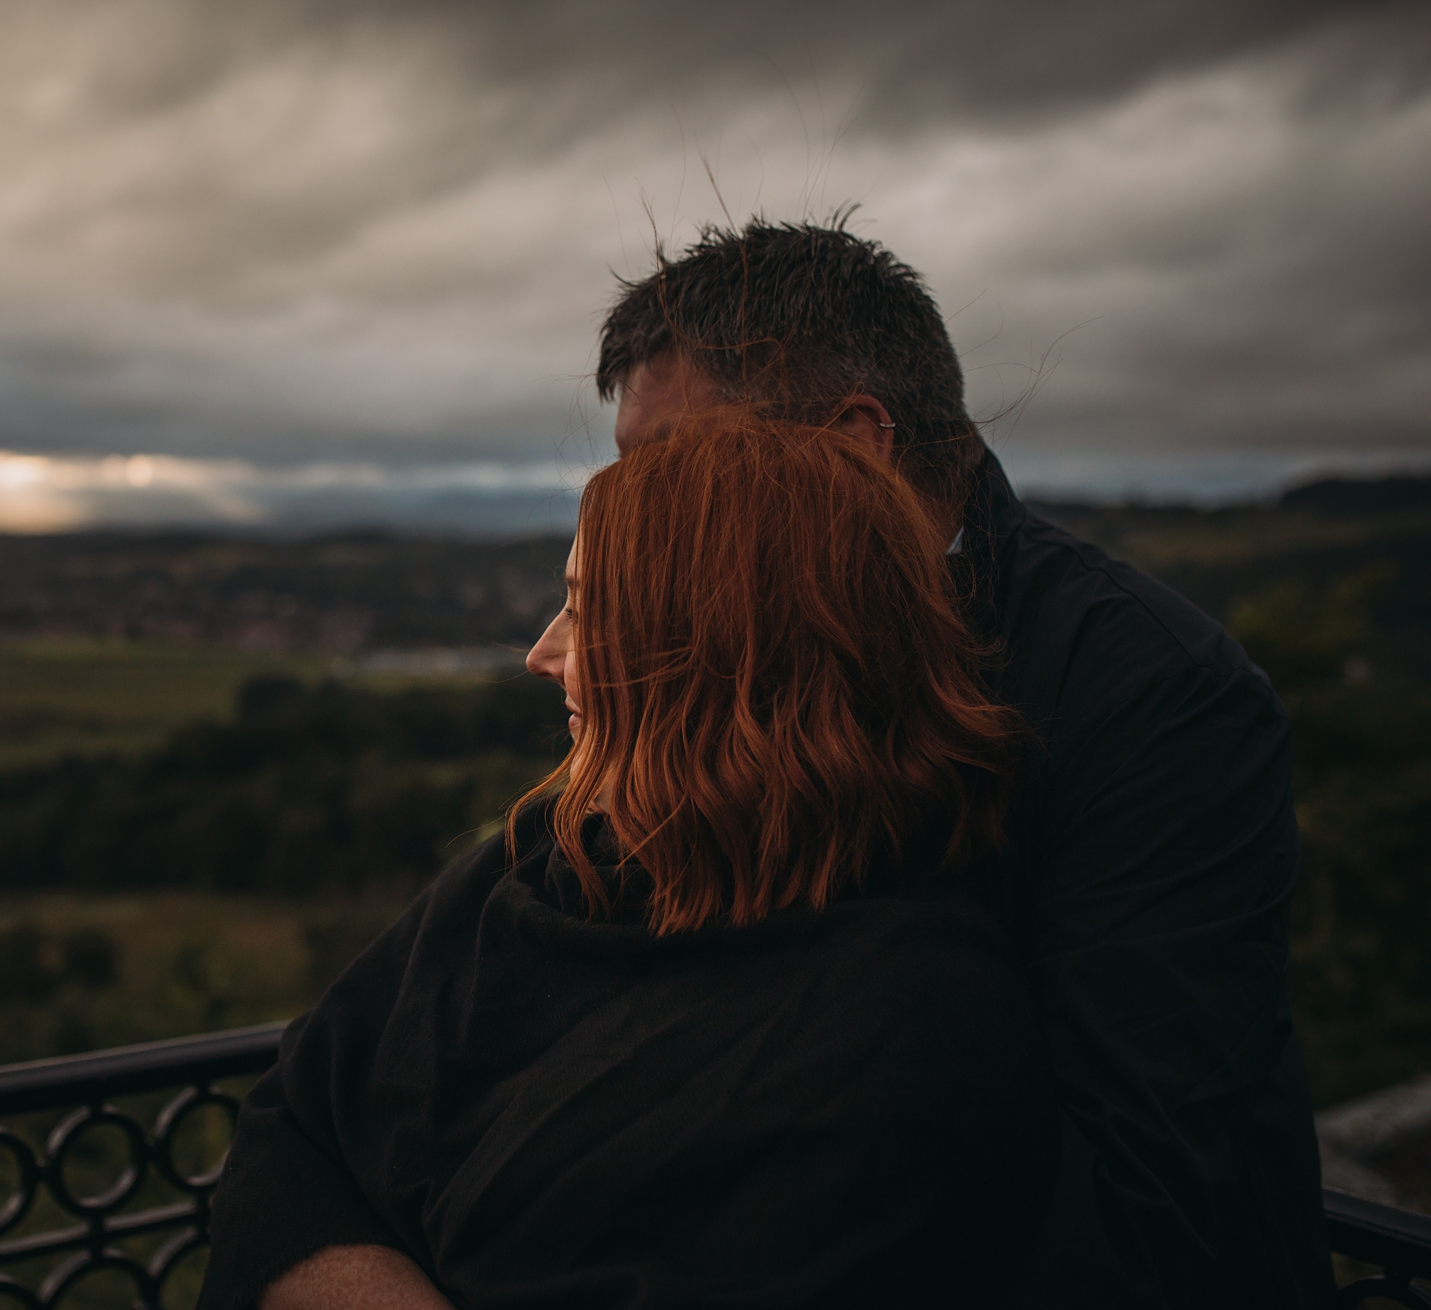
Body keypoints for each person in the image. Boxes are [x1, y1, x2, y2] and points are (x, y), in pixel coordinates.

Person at [594, 220, 1332, 1308]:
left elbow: (1137, 1194)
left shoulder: (1155, 696)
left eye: (663, 476)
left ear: (851, 447)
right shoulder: (699, 662)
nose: (632, 530)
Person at [200, 420, 1061, 1310]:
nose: (542, 653)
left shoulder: (906, 1034)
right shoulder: (553, 859)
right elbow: (295, 1120)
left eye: (586, 610)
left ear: (722, 654)